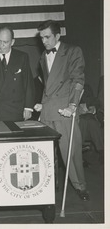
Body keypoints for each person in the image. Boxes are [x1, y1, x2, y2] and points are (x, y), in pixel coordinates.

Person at [34, 20, 89, 201]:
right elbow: (47, 87)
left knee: (70, 153)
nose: (44, 41)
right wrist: (42, 106)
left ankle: (80, 186)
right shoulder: (43, 56)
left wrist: (73, 105)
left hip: (64, 110)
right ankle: (45, 185)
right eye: (42, 38)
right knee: (45, 153)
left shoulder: (73, 51)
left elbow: (78, 80)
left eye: (47, 37)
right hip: (47, 112)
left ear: (58, 35)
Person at [0, 27, 35, 121]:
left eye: (5, 42)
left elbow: (28, 83)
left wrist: (28, 107)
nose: (1, 45)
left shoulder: (22, 57)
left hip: (16, 110)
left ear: (12, 42)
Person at [79, 84, 104, 164]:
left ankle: (102, 151)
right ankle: (79, 155)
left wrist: (93, 107)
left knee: (92, 122)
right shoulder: (66, 88)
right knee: (83, 122)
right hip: (75, 117)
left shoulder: (86, 87)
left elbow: (95, 101)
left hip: (88, 115)